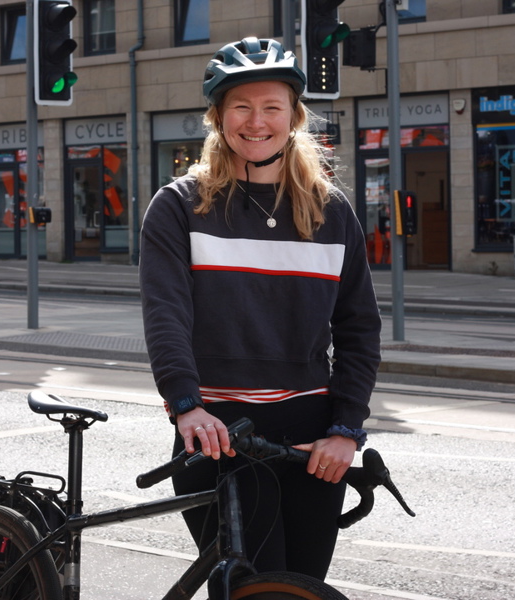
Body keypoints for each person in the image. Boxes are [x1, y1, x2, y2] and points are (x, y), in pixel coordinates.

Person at [139, 37, 381, 580]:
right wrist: (185, 405)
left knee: (302, 589)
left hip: (311, 444)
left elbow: (359, 328)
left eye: (271, 106)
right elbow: (166, 314)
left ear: (293, 116)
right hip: (219, 433)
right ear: (218, 117)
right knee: (254, 589)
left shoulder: (331, 211)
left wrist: (346, 429)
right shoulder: (180, 207)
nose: (257, 121)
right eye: (240, 107)